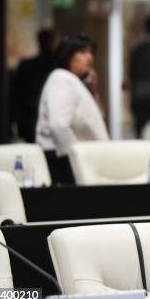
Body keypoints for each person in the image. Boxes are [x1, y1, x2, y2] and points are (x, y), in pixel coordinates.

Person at [36, 33, 109, 185]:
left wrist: (93, 90)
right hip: (65, 161)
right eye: (82, 52)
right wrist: (77, 157)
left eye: (90, 52)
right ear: (67, 55)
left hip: (72, 158)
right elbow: (59, 125)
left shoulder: (72, 81)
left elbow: (97, 118)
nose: (89, 57)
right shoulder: (62, 78)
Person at [12, 28, 58, 143]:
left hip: (30, 117)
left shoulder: (26, 65)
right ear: (54, 41)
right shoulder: (60, 65)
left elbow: (16, 95)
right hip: (49, 117)